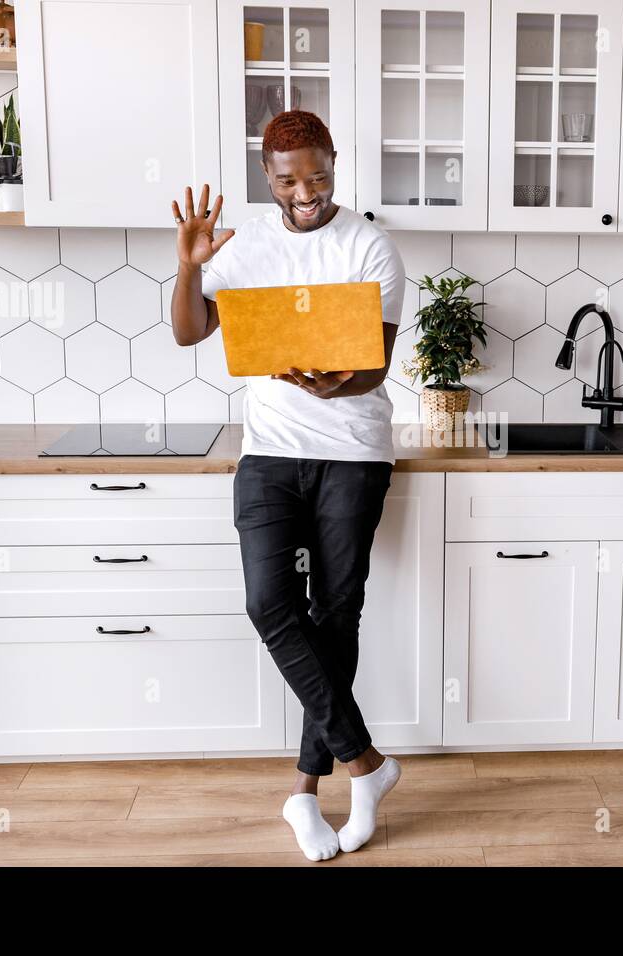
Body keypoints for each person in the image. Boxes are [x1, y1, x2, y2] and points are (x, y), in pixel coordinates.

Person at [169, 110, 405, 862]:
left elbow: (374, 365)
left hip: (354, 453)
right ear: (266, 179)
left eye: (318, 174)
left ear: (334, 162)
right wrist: (190, 266)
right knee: (270, 604)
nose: (306, 190)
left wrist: (339, 385)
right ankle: (366, 764)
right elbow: (186, 332)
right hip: (270, 454)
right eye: (288, 178)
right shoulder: (246, 245)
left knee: (336, 615)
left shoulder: (370, 245)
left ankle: (308, 792)